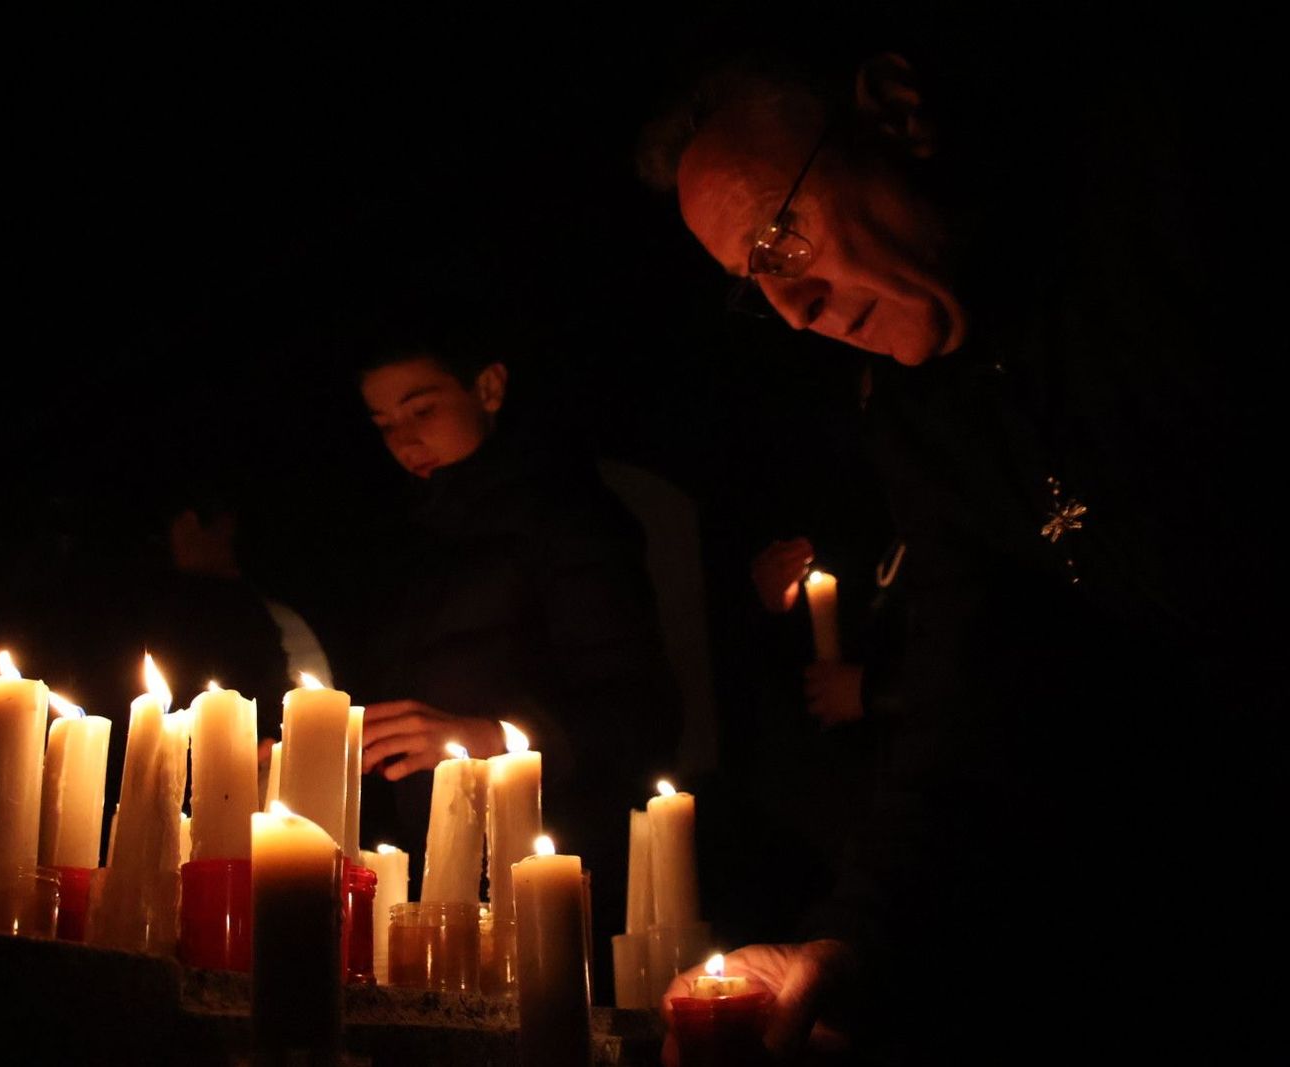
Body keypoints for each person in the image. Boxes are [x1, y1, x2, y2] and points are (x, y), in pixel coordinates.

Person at [639, 15, 1277, 1063]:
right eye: (754, 285)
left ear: (893, 114)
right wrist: (850, 943)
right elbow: (975, 695)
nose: (792, 310)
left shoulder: (1182, 193)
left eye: (777, 241)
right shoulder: (921, 415)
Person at [349, 318, 682, 998]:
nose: (405, 439)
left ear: (489, 386)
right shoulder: (402, 545)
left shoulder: (570, 516)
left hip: (559, 873)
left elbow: (640, 710)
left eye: (422, 408)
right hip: (430, 885)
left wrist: (492, 738)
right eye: (384, 423)